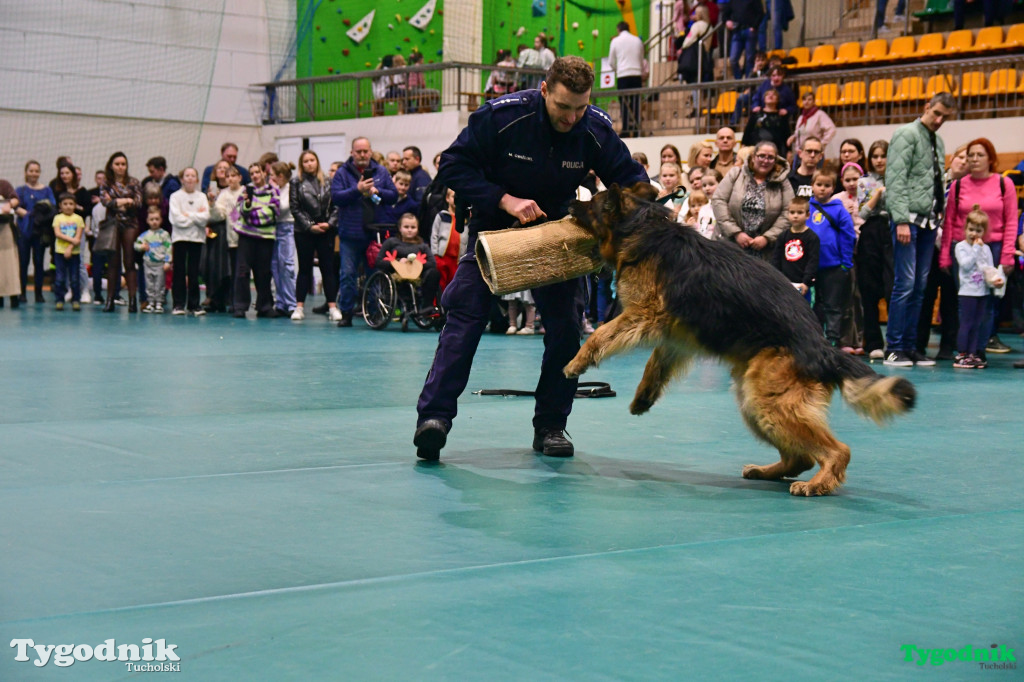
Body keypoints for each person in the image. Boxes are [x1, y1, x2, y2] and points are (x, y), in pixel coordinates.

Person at [413, 56, 649, 462]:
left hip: (556, 229)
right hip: (494, 225)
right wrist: (505, 200)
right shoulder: (502, 118)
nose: (572, 117)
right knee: (465, 317)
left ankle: (552, 426)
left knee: (565, 330)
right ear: (544, 91)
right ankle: (434, 419)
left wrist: (645, 204)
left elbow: (630, 180)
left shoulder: (593, 127)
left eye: (580, 107)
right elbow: (453, 165)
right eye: (563, 107)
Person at [882, 93, 954, 368]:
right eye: (936, 113)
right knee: (906, 283)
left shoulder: (937, 140)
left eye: (945, 117)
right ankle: (895, 347)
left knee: (920, 287)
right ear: (926, 107)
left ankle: (911, 347)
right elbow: (896, 178)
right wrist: (900, 219)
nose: (939, 120)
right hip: (908, 219)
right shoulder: (906, 133)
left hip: (928, 220)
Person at [939, 138, 1019, 357]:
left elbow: (1011, 220)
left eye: (980, 155)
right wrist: (945, 255)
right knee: (965, 304)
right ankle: (964, 351)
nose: (974, 159)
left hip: (992, 249)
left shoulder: (1004, 184)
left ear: (990, 158)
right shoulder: (958, 186)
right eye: (971, 155)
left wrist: (1007, 256)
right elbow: (949, 222)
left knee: (988, 305)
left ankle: (979, 351)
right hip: (962, 249)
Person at [330, 137, 397, 326]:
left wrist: (378, 192)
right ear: (352, 152)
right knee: (348, 275)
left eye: (365, 151)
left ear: (370, 151)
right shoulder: (342, 173)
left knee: (374, 274)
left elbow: (393, 196)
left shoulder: (381, 172)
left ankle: (374, 313)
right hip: (349, 234)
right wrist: (357, 189)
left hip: (373, 234)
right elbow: (336, 197)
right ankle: (347, 313)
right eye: (358, 151)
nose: (362, 155)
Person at [712, 140, 794, 258]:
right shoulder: (736, 173)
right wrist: (736, 233)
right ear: (753, 157)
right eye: (761, 156)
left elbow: (789, 211)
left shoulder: (783, 182)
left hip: (765, 251)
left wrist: (767, 237)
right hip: (730, 244)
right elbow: (718, 200)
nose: (765, 161)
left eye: (770, 158)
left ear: (775, 161)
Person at [289, 150, 340, 322]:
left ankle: (332, 307)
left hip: (326, 230)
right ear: (301, 164)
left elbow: (336, 206)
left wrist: (330, 223)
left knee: (328, 269)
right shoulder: (296, 182)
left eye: (312, 160)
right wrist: (310, 226)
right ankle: (299, 307)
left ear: (317, 162)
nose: (309, 163)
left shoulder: (329, 181)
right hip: (304, 231)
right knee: (304, 268)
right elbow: (295, 207)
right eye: (306, 161)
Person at [809, 170, 857, 346]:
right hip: (811, 267)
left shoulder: (839, 210)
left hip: (834, 267)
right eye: (819, 185)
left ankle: (833, 340)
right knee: (815, 305)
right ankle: (814, 339)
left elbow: (848, 236)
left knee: (833, 306)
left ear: (833, 188)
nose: (822, 189)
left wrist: (846, 263)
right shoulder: (806, 208)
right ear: (812, 186)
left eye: (827, 185)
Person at [857, 141, 893, 359]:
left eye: (883, 155)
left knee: (892, 288)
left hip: (893, 231)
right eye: (875, 156)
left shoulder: (899, 179)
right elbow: (862, 213)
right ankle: (873, 342)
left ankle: (894, 341)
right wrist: (878, 194)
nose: (879, 160)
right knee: (868, 290)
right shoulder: (864, 181)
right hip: (871, 232)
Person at [233, 162, 280, 318]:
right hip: (246, 237)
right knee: (242, 272)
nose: (254, 175)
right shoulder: (245, 191)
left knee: (263, 273)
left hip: (265, 238)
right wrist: (247, 205)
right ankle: (240, 306)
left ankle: (264, 306)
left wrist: (250, 216)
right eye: (251, 173)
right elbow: (240, 210)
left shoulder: (273, 191)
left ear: (263, 174)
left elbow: (272, 213)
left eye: (257, 172)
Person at [953, 206, 997, 369]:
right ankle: (962, 353)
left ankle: (973, 353)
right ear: (965, 229)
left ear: (983, 232)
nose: (974, 234)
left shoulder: (986, 248)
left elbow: (989, 268)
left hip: (982, 291)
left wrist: (995, 280)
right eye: (971, 229)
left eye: (978, 231)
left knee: (978, 324)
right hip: (967, 292)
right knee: (967, 323)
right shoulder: (961, 247)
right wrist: (976, 248)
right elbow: (965, 265)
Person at [99, 152, 142, 313]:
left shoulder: (134, 182)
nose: (120, 167)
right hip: (112, 224)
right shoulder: (106, 183)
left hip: (130, 224)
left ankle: (132, 300)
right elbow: (106, 201)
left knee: (130, 262)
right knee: (113, 263)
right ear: (111, 165)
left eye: (123, 164)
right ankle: (110, 300)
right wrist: (125, 201)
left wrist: (117, 202)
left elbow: (138, 202)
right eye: (117, 164)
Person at [377, 213, 440, 312]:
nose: (410, 230)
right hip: (396, 275)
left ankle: (427, 305)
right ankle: (402, 307)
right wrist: (397, 262)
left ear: (417, 229)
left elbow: (432, 263)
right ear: (400, 228)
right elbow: (379, 261)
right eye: (406, 227)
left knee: (434, 273)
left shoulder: (422, 246)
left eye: (413, 227)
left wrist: (416, 263)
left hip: (418, 275)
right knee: (402, 281)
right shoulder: (391, 242)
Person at [168, 167, 209, 316]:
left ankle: (194, 305)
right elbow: (176, 219)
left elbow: (205, 217)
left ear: (197, 179)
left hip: (196, 239)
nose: (190, 178)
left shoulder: (202, 197)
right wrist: (195, 216)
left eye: (193, 176)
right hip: (180, 238)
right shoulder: (175, 197)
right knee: (179, 271)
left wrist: (188, 215)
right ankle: (178, 304)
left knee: (193, 272)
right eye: (187, 176)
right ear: (182, 179)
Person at [835, 163, 866, 354]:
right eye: (847, 180)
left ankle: (862, 340)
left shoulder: (868, 197)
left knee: (862, 297)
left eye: (856, 179)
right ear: (842, 182)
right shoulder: (836, 200)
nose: (852, 183)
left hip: (865, 249)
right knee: (847, 296)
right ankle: (845, 339)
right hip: (845, 251)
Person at [15, 160, 56, 304]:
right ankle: (22, 293)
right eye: (31, 170)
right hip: (24, 231)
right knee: (23, 262)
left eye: (36, 171)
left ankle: (39, 293)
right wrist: (28, 215)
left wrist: (40, 216)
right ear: (26, 172)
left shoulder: (47, 190)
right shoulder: (20, 190)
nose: (34, 173)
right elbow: (16, 206)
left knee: (39, 261)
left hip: (40, 231)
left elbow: (52, 207)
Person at [772, 196, 819, 301]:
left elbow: (813, 261)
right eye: (792, 212)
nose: (795, 216)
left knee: (805, 313)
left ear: (807, 215)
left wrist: (806, 282)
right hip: (785, 283)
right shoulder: (783, 236)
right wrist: (778, 279)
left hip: (803, 284)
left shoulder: (812, 237)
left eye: (799, 212)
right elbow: (776, 259)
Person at [268, 161, 297, 317]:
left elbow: (282, 208)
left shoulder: (290, 188)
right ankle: (280, 302)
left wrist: (273, 193)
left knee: (286, 265)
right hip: (274, 228)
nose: (270, 178)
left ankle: (292, 303)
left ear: (280, 176)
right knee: (275, 266)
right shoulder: (274, 189)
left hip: (287, 227)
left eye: (272, 175)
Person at [608, 21, 646, 137]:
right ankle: (635, 129)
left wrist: (617, 69)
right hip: (636, 74)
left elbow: (611, 61)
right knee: (636, 102)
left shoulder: (615, 41)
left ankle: (625, 129)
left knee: (624, 104)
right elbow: (641, 58)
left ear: (618, 29)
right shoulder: (637, 40)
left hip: (623, 75)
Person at [135, 206, 172, 314]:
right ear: (147, 221)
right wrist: (142, 247)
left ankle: (159, 303)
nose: (154, 222)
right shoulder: (145, 235)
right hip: (148, 264)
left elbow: (168, 248)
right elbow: (136, 245)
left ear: (161, 220)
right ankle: (151, 302)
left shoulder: (164, 235)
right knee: (149, 284)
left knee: (160, 284)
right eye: (152, 219)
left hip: (160, 264)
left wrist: (167, 261)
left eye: (157, 219)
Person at [51, 193, 85, 311]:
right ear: (60, 205)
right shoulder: (58, 218)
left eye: (71, 204)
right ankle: (59, 299)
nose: (68, 206)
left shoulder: (78, 219)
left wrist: (70, 247)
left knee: (75, 278)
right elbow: (58, 234)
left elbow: (78, 236)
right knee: (60, 278)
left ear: (75, 205)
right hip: (60, 252)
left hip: (74, 253)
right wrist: (72, 241)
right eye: (65, 204)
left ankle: (76, 300)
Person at [430, 188, 465, 294]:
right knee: (440, 283)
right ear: (447, 198)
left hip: (458, 260)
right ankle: (438, 306)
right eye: (454, 197)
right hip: (442, 257)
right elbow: (434, 235)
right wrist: (435, 253)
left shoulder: (465, 219)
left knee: (454, 284)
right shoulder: (442, 216)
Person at [723, 0, 766, 80]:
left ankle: (748, 80)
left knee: (750, 58)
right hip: (737, 31)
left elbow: (760, 13)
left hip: (749, 31)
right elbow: (725, 13)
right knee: (733, 59)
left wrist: (754, 26)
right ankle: (739, 80)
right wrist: (727, 21)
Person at [742, 87, 790, 158]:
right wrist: (743, 145)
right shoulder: (756, 114)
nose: (770, 96)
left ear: (777, 100)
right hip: (755, 151)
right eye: (768, 95)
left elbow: (786, 135)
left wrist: (789, 151)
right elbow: (748, 130)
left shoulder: (782, 116)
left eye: (774, 95)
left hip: (776, 152)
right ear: (764, 99)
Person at [789, 91, 836, 161]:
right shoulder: (801, 117)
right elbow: (799, 132)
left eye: (809, 99)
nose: (806, 102)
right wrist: (793, 136)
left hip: (814, 153)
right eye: (804, 100)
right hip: (800, 153)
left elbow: (831, 129)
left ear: (814, 102)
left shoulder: (819, 114)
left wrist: (821, 144)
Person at [675, 5, 714, 86]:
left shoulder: (696, 26)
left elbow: (689, 39)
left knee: (693, 80)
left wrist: (682, 48)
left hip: (696, 55)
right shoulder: (710, 27)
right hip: (706, 53)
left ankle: (696, 97)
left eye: (695, 14)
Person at [0, 179, 20, 309]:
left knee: (10, 263)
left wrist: (9, 204)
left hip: (5, 228)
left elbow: (15, 199)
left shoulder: (4, 184)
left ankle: (14, 296)